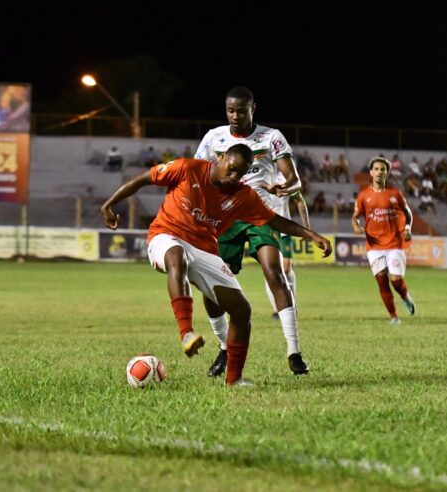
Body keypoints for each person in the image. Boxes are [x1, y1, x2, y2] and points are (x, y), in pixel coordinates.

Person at [100, 145, 331, 386]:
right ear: (220, 158)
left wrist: (311, 234)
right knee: (176, 256)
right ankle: (186, 333)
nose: (233, 177)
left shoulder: (243, 195)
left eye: (239, 174)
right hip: (166, 235)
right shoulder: (187, 168)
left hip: (204, 249)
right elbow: (142, 179)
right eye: (231, 169)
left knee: (242, 310)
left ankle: (234, 379)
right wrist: (108, 205)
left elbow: (274, 220)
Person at [195, 86, 311, 377]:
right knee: (213, 287)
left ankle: (294, 352)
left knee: (275, 273)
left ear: (253, 109)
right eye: (230, 110)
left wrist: (285, 187)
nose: (235, 116)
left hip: (261, 215)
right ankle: (223, 348)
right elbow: (200, 175)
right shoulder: (214, 137)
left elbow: (294, 180)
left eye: (241, 110)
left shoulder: (271, 138)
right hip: (226, 219)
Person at [351, 157, 416, 325]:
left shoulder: (395, 194)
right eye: (377, 169)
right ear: (371, 172)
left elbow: (408, 214)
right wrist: (357, 227)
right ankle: (394, 317)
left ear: (387, 173)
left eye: (383, 169)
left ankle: (405, 297)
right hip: (374, 246)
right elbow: (355, 217)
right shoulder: (364, 195)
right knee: (381, 280)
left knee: (396, 281)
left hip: (394, 243)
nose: (380, 172)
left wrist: (408, 229)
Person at [267, 175, 311, 321]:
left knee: (285, 267)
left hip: (284, 228)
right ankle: (276, 308)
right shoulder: (258, 174)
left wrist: (306, 226)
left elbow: (300, 201)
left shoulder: (284, 178)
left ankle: (291, 303)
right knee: (271, 269)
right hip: (266, 229)